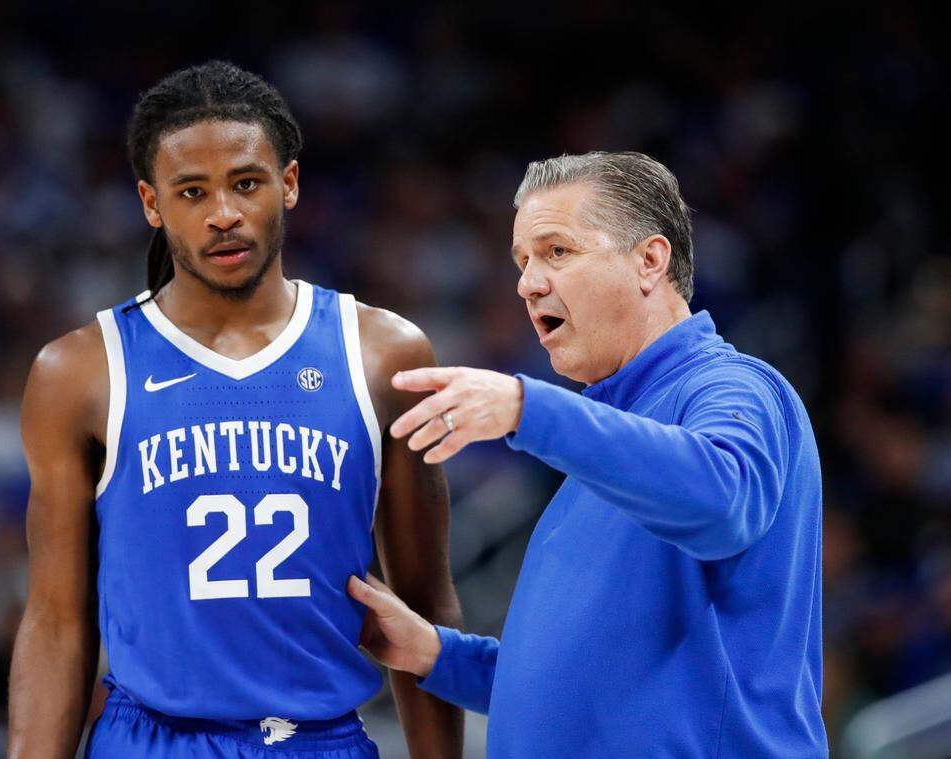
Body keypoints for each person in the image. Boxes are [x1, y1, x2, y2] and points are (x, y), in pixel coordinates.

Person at [7, 61, 462, 759]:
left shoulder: (384, 354)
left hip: (318, 739)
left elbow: (424, 603)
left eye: (246, 182)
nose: (224, 212)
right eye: (192, 191)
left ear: (290, 184)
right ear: (151, 203)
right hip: (150, 739)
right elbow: (57, 621)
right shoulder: (78, 371)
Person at [348, 152, 828, 756]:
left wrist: (529, 408)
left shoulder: (732, 388)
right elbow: (581, 688)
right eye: (522, 262)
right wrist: (435, 654)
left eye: (557, 251)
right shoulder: (603, 452)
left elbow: (723, 501)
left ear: (650, 261)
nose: (527, 282)